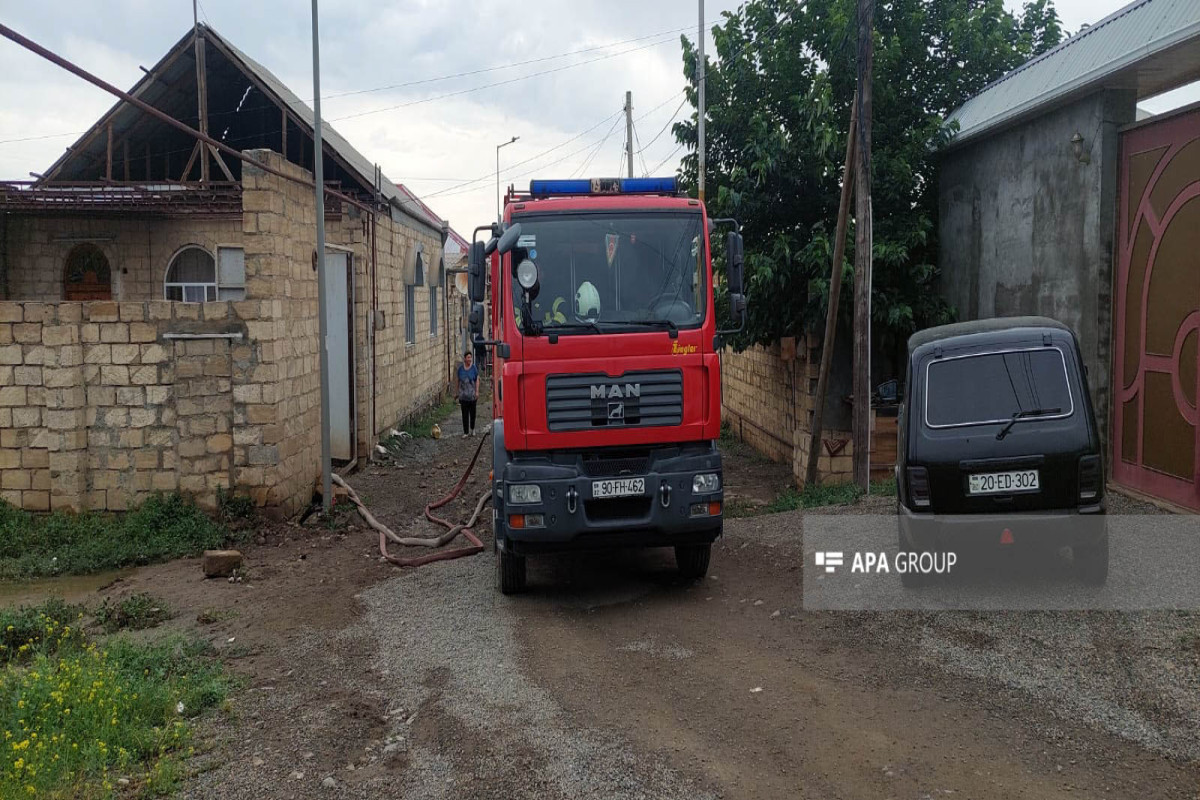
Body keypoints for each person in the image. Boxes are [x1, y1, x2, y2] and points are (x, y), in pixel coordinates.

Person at [457, 351, 479, 437]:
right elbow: (458, 381)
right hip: (463, 396)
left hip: (472, 396)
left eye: (470, 357)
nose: (469, 359)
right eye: (468, 357)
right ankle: (466, 432)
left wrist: (477, 391)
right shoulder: (460, 369)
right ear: (465, 359)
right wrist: (457, 392)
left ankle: (472, 429)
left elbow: (477, 380)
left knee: (472, 414)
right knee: (464, 415)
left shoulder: (474, 368)